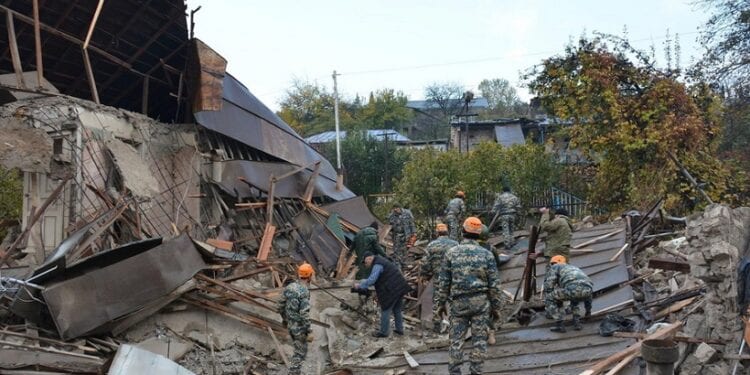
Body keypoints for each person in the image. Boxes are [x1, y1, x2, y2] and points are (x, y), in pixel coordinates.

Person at [435, 217, 503, 375]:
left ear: (462, 231)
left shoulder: (451, 253)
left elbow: (443, 283)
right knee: (479, 341)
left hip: (458, 304)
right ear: (479, 234)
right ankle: (476, 371)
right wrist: (496, 307)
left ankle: (455, 371)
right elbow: (494, 285)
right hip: (481, 304)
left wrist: (440, 305)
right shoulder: (486, 254)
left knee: (456, 341)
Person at [355, 252, 411, 338]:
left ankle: (384, 332)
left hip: (392, 289)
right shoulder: (382, 261)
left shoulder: (377, 265)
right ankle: (399, 329)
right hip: (400, 286)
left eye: (366, 262)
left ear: (370, 258)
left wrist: (360, 285)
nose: (366, 265)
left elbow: (372, 280)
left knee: (385, 309)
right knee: (397, 309)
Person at [419, 223, 458, 333]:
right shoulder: (455, 244)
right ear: (447, 232)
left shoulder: (431, 245)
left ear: (437, 233)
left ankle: (437, 325)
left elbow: (425, 263)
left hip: (438, 277)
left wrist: (424, 275)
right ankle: (454, 323)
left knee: (438, 300)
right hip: (453, 276)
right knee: (452, 299)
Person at [278, 263, 313, 375]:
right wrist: (309, 330)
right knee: (300, 353)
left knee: (297, 349)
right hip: (299, 328)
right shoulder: (304, 292)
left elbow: (279, 306)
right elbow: (304, 314)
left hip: (290, 325)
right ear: (310, 276)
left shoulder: (290, 287)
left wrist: (285, 319)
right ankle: (293, 373)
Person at [543, 255, 593, 332]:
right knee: (575, 297)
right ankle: (577, 323)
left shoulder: (555, 267)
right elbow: (587, 293)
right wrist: (588, 312)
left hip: (573, 289)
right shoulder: (574, 267)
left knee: (549, 297)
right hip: (588, 289)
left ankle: (559, 325)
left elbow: (549, 286)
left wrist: (552, 302)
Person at [350, 222, 387, 314]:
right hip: (369, 261)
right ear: (376, 229)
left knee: (360, 277)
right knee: (369, 279)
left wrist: (349, 252)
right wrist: (385, 255)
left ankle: (360, 300)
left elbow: (353, 245)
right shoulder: (374, 235)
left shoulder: (358, 233)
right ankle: (368, 302)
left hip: (360, 260)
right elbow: (377, 247)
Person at [387, 203, 416, 268]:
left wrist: (414, 232)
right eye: (394, 208)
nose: (395, 210)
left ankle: (404, 263)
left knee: (405, 249)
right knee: (396, 250)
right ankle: (398, 264)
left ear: (400, 208)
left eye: (396, 208)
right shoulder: (391, 215)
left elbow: (412, 223)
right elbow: (389, 225)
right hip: (396, 235)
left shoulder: (407, 213)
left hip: (406, 234)